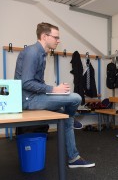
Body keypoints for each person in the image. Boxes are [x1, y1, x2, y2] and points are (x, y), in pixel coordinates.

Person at [14, 22, 95, 168]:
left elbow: (36, 82)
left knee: (66, 119)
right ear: (45, 36)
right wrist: (53, 89)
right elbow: (26, 83)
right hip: (28, 100)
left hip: (35, 98)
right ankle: (71, 116)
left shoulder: (42, 54)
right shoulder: (33, 52)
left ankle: (74, 158)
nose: (58, 41)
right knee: (76, 98)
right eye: (56, 37)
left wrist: (52, 90)